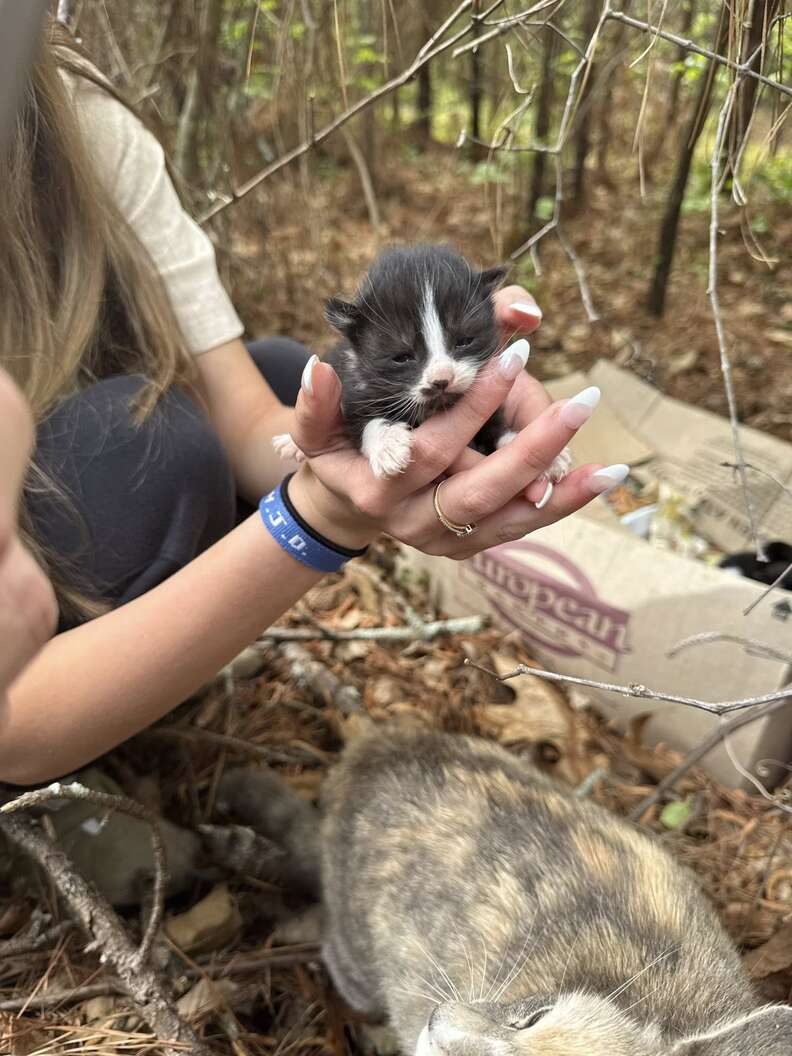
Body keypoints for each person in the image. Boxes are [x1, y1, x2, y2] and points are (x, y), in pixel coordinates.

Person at [0, 22, 627, 786]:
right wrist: (318, 520)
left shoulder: (80, 121)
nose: (434, 373)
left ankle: (132, 706)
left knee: (276, 370)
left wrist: (348, 474)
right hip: (19, 679)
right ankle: (76, 772)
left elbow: (246, 407)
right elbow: (12, 725)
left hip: (57, 524)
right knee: (153, 437)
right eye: (402, 354)